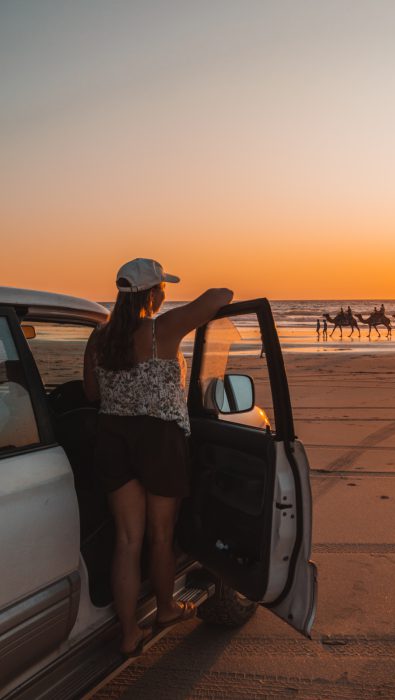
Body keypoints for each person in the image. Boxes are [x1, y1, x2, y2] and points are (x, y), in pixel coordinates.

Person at [83, 258, 233, 657]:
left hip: (113, 438)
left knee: (127, 539)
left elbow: (91, 395)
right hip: (159, 439)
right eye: (162, 287)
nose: (165, 293)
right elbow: (222, 296)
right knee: (161, 536)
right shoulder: (161, 329)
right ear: (153, 293)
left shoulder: (98, 337)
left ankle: (130, 632)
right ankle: (166, 609)